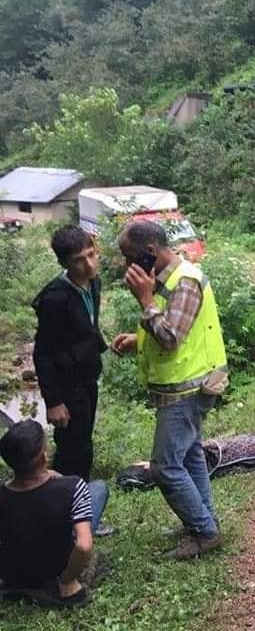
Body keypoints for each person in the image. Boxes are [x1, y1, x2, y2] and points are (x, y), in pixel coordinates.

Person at [109, 221, 228, 561]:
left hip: (187, 390)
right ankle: (203, 520)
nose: (125, 265)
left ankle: (205, 532)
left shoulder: (184, 281)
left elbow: (173, 338)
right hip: (181, 386)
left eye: (128, 256)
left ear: (149, 253)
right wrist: (138, 339)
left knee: (164, 466)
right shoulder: (165, 280)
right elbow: (174, 329)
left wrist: (145, 300)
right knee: (189, 457)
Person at [0, 420, 109, 607]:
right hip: (57, 570)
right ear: (43, 457)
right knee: (99, 488)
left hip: (14, 575)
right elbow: (83, 546)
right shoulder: (73, 486)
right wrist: (67, 580)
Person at [32, 225, 106, 482]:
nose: (88, 264)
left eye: (90, 254)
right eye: (78, 261)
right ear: (64, 262)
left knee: (83, 442)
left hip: (87, 379)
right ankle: (68, 508)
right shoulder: (55, 299)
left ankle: (73, 505)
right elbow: (42, 352)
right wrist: (53, 401)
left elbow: (88, 324)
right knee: (74, 450)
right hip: (67, 386)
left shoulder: (94, 283)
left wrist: (102, 345)